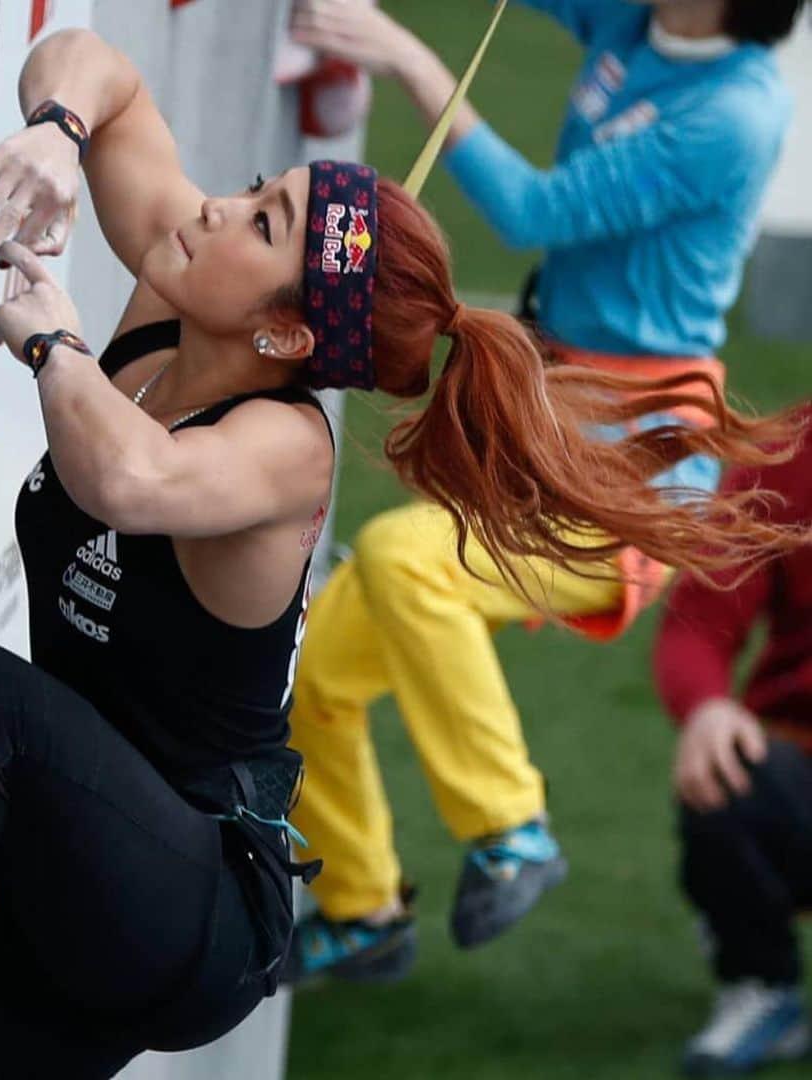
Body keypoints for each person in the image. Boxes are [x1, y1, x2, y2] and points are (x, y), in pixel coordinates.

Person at [0, 24, 803, 1080]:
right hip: (76, 838)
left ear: (290, 337)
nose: (217, 206)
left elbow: (133, 481)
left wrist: (53, 343)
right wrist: (59, 132)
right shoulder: (181, 280)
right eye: (257, 188)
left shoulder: (287, 449)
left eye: (263, 222)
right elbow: (103, 73)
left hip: (192, 903)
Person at [282, 0, 807, 983]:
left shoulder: (734, 114)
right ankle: (362, 909)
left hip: (633, 482)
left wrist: (398, 49)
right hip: (549, 427)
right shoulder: (638, 19)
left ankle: (513, 827)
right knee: (311, 677)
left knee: (403, 557)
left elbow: (533, 210)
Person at [654, 404, 812, 1076]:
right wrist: (708, 708)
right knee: (728, 773)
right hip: (798, 756)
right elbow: (698, 619)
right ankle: (762, 980)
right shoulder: (789, 451)